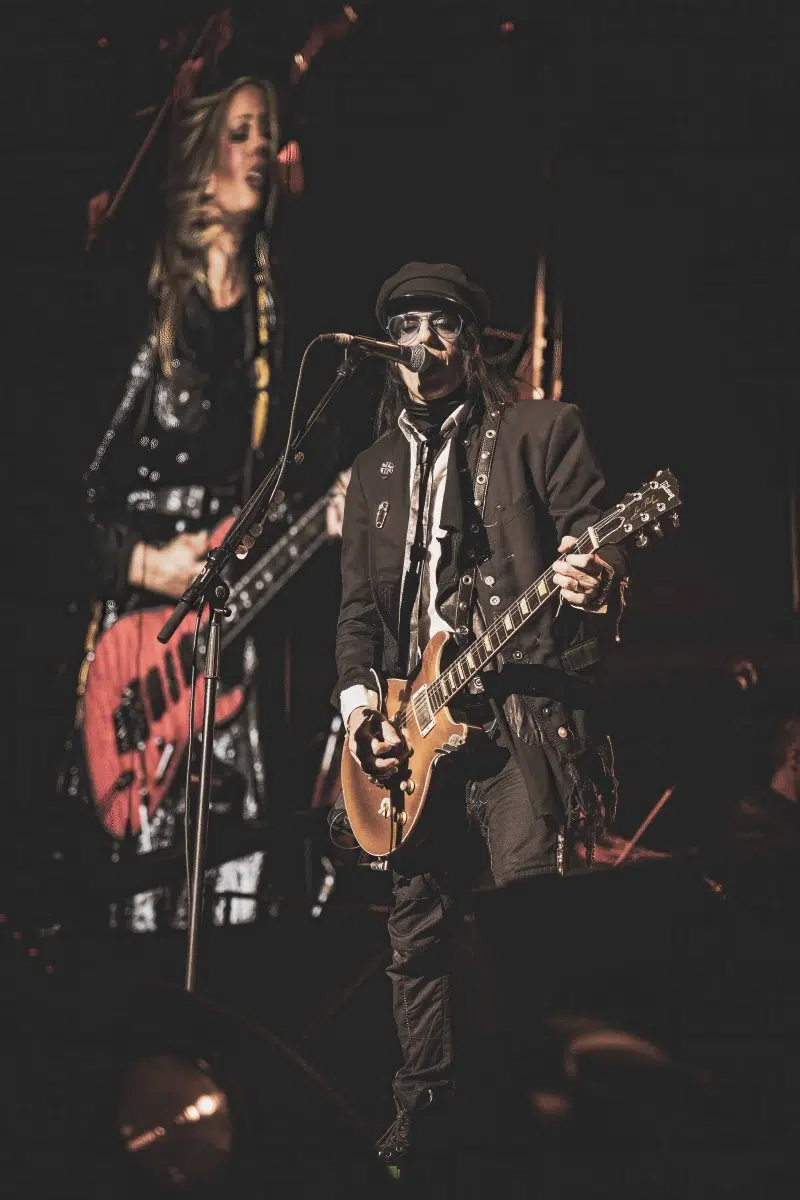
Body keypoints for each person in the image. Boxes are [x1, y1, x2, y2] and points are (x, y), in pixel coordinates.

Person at [332, 261, 630, 1168]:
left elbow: (597, 535)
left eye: (443, 323)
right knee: (415, 940)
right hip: (413, 734)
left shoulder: (541, 430)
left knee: (528, 925)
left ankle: (549, 1121)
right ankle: (420, 1121)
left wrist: (597, 577)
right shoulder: (374, 470)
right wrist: (364, 716)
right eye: (406, 325)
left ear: (470, 342)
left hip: (517, 724)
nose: (423, 339)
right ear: (388, 346)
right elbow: (357, 614)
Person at [61, 74, 341, 933]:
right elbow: (48, 488)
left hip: (224, 637)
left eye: (267, 134)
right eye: (240, 131)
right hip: (132, 637)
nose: (259, 149)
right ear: (199, 149)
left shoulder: (274, 308)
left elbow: (282, 470)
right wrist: (141, 561)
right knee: (131, 891)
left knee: (230, 880)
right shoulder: (137, 295)